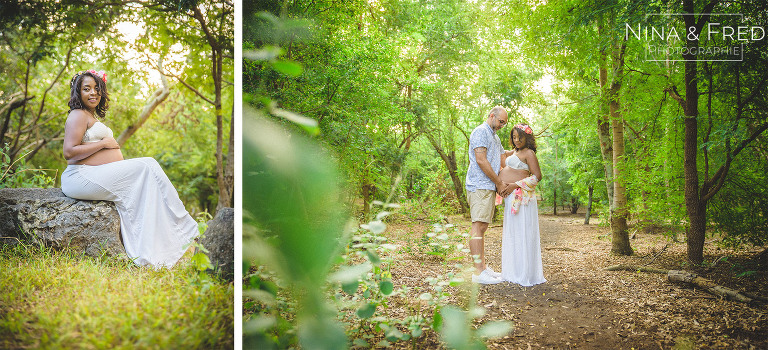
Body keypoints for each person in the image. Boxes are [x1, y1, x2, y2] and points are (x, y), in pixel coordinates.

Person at [60, 69, 198, 268]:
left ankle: (158, 246)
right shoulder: (78, 115)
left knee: (145, 186)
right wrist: (104, 144)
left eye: (97, 89)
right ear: (78, 92)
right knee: (148, 164)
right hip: (79, 177)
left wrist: (107, 146)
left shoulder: (90, 116)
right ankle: (183, 222)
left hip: (92, 174)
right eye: (87, 89)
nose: (93, 93)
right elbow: (69, 152)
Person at [465, 106, 516, 284]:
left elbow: (503, 158)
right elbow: (481, 159)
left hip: (488, 187)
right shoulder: (481, 131)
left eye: (505, 123)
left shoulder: (494, 137)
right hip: (479, 185)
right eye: (501, 121)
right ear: (492, 116)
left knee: (483, 227)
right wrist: (498, 182)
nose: (502, 125)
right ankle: (478, 272)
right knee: (478, 226)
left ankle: (483, 268)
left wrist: (521, 147)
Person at [498, 124, 545, 286]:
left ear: (527, 138)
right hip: (511, 198)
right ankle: (512, 271)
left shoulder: (529, 153)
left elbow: (537, 176)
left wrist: (514, 185)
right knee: (513, 233)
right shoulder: (515, 152)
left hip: (523, 198)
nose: (517, 140)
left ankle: (525, 273)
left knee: (523, 231)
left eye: (520, 137)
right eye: (514, 137)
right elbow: (500, 153)